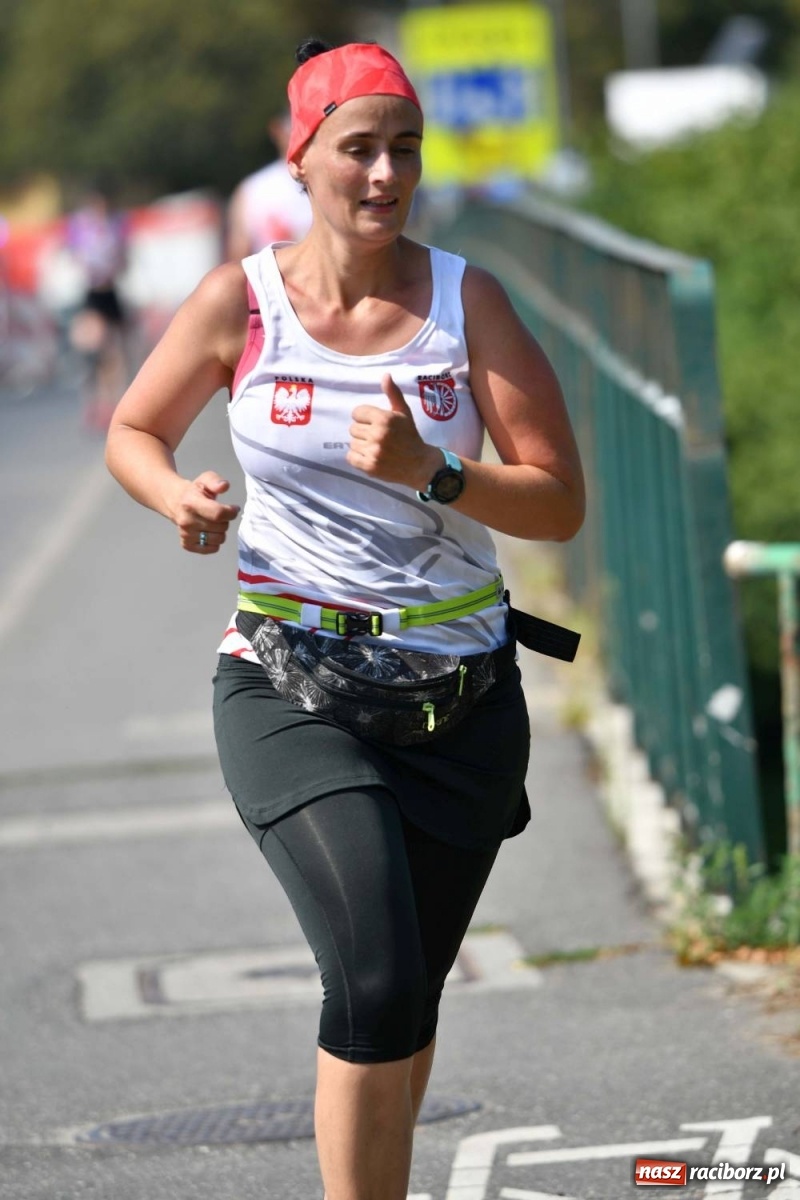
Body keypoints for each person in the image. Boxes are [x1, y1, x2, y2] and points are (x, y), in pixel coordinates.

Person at [105, 38, 585, 1200]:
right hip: (286, 678)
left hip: (459, 696)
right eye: (356, 149)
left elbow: (560, 501)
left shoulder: (469, 301)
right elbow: (134, 430)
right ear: (300, 157)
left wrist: (438, 471)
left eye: (403, 150)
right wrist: (180, 495)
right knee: (369, 978)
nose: (383, 175)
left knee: (405, 996)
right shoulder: (242, 300)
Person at [65, 186, 130, 429]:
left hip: (110, 293)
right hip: (92, 295)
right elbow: (75, 256)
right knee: (95, 351)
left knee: (114, 355)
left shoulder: (116, 225)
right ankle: (96, 403)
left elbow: (124, 260)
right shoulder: (83, 227)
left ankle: (112, 403)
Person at [225, 111, 312, 260]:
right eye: (290, 126)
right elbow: (238, 255)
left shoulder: (326, 179)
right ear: (277, 129)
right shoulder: (252, 190)